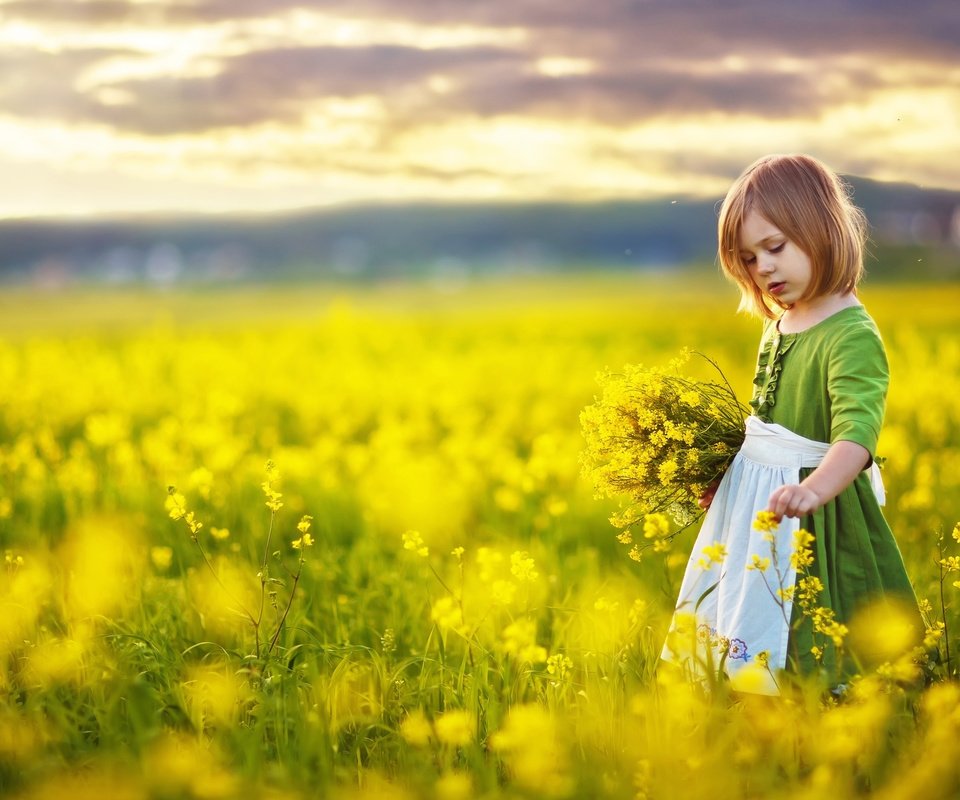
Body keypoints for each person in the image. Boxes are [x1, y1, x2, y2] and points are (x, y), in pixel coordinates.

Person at [661, 153, 920, 694]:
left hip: (816, 506)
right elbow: (766, 419)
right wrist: (725, 475)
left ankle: (820, 708)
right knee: (744, 602)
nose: (764, 269)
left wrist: (813, 490)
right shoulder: (780, 324)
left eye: (775, 247)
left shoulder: (849, 333)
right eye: (749, 259)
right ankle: (747, 694)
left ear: (821, 230)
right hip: (757, 498)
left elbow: (857, 436)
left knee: (809, 613)